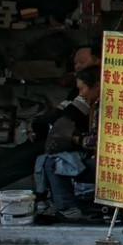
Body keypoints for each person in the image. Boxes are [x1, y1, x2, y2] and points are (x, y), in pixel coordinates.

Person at [35, 65, 101, 220]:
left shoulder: (103, 106)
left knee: (54, 163)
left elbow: (95, 141)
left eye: (83, 89)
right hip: (97, 159)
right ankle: (58, 205)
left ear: (97, 86)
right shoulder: (94, 105)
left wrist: (75, 139)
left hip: (106, 165)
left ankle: (68, 208)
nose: (81, 94)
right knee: (47, 159)